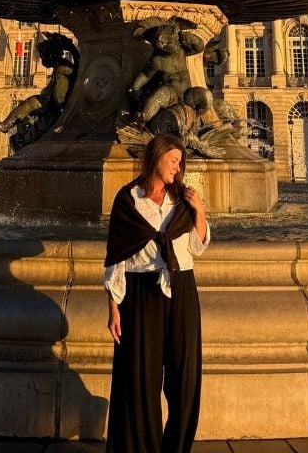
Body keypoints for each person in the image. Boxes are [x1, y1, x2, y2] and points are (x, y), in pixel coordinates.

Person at [104, 134, 209, 453]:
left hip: (181, 288)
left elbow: (196, 247)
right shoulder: (128, 199)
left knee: (185, 377)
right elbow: (116, 257)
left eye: (181, 161)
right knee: (140, 381)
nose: (179, 167)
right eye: (174, 160)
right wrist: (113, 307)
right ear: (157, 158)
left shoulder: (184, 199)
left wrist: (200, 211)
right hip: (139, 292)